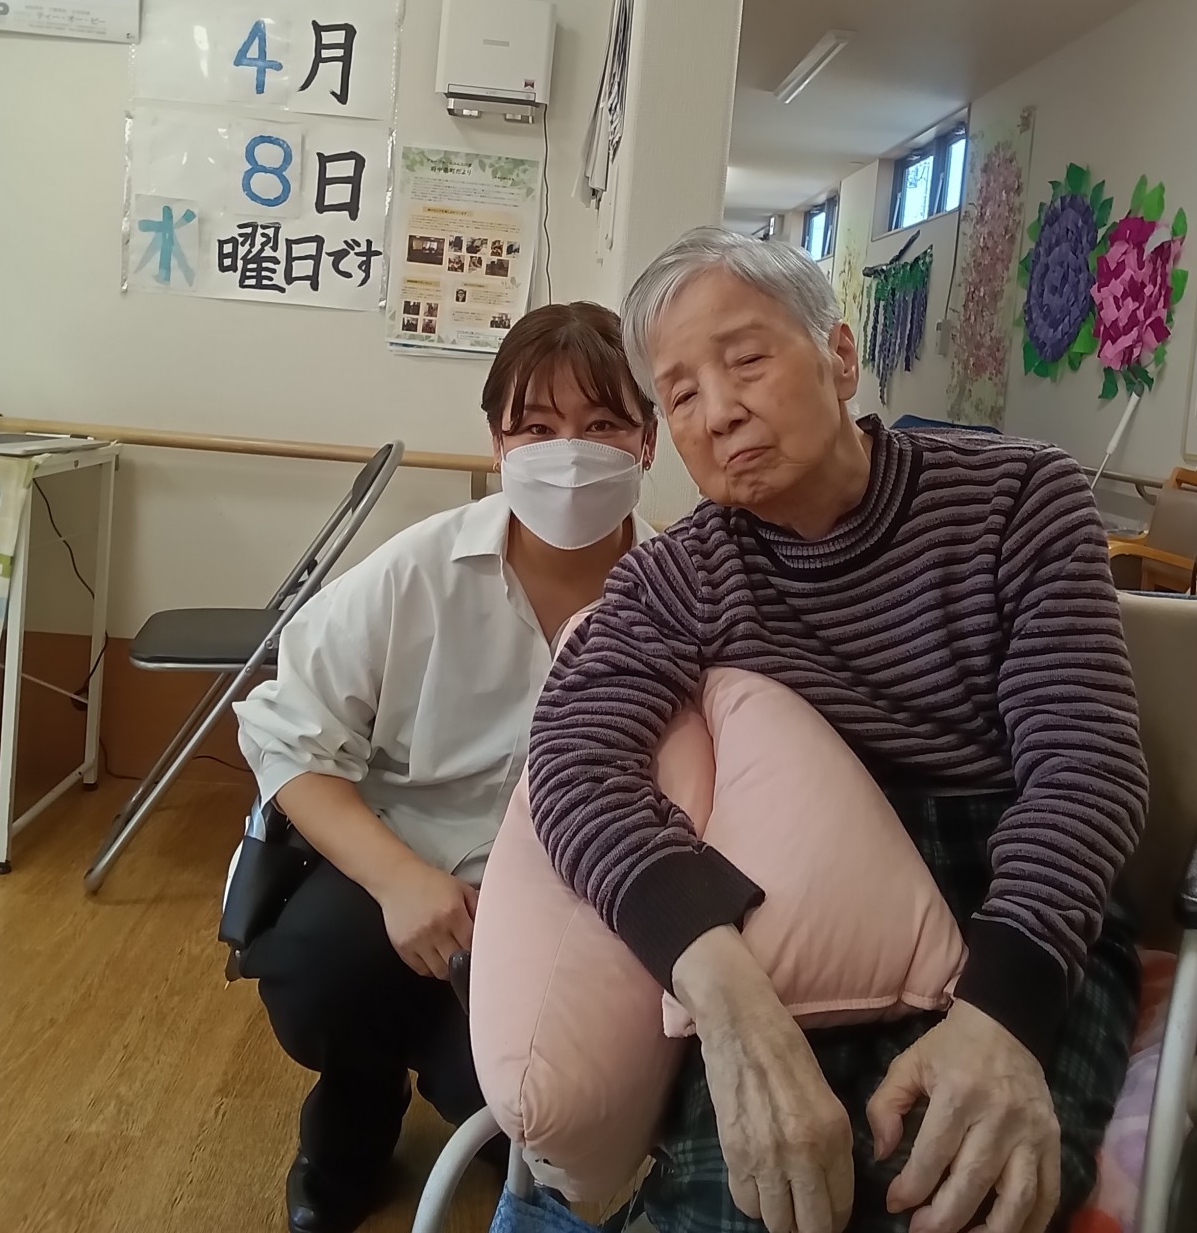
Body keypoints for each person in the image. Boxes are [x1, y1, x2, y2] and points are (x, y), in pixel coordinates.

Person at [528, 230, 1148, 1233]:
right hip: (797, 910)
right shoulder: (677, 576)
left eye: (745, 359)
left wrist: (1002, 1014)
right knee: (738, 1206)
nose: (718, 411)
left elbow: (1085, 768)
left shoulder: (1021, 498)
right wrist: (723, 990)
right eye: (680, 396)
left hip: (1015, 888)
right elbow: (571, 763)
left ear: (841, 356)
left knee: (967, 1197)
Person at [235, 301, 657, 1233]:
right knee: (319, 975)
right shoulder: (416, 571)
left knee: (536, 1110)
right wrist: (399, 882)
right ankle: (356, 1101)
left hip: (571, 900)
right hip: (407, 861)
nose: (568, 453)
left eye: (602, 424)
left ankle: (469, 1087)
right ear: (497, 444)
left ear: (649, 441)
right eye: (536, 428)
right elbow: (287, 737)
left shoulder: (677, 593)